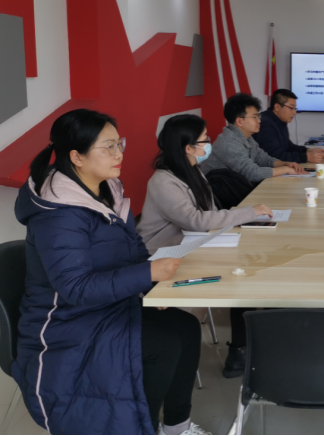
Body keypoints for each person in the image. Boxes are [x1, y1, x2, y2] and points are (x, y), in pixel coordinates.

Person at [13, 109, 209, 435]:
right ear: (76, 157)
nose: (119, 154)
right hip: (69, 322)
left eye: (120, 144)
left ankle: (177, 426)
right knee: (162, 345)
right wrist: (147, 274)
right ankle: (143, 428)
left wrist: (150, 286)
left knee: (186, 327)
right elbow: (75, 288)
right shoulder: (59, 213)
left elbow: (134, 249)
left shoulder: (109, 190)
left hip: (110, 304)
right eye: (108, 147)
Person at [138, 114, 273, 253]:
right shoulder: (163, 182)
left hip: (192, 241)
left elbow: (210, 211)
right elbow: (196, 222)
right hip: (161, 252)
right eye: (205, 139)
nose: (209, 143)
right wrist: (249, 212)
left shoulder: (193, 169)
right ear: (189, 148)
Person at [201, 93, 305, 207]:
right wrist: (285, 169)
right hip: (225, 200)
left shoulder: (246, 136)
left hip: (239, 191)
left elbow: (263, 158)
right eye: (254, 117)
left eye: (258, 116)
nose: (259, 120)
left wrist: (285, 164)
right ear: (240, 121)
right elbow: (252, 173)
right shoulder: (228, 142)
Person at [254, 88, 324, 164]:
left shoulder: (280, 121)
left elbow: (288, 146)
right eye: (291, 108)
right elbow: (274, 156)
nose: (294, 112)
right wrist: (306, 157)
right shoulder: (265, 124)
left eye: (295, 108)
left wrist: (307, 150)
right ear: (277, 107)